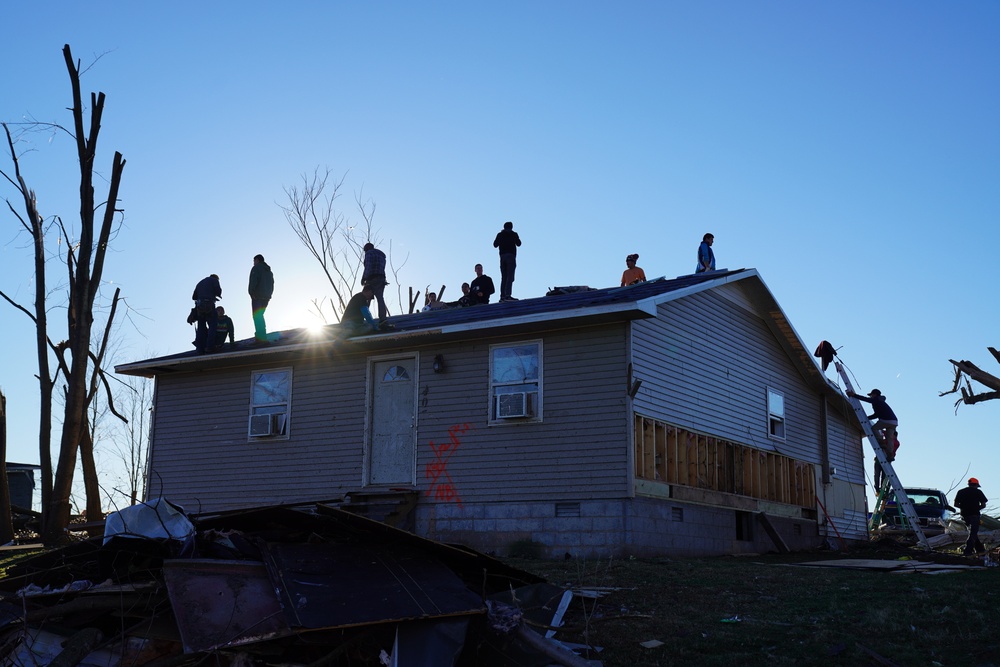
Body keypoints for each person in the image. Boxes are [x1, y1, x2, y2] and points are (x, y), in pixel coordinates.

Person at [846, 388, 898, 465]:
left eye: (871, 395)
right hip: (894, 421)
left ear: (875, 395)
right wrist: (867, 418)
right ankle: (890, 454)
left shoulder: (876, 400)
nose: (871, 396)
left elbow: (867, 400)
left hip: (886, 420)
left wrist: (854, 395)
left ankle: (881, 441)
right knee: (889, 438)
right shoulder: (881, 402)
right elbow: (876, 415)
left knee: (874, 428)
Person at [954, 477, 989, 556]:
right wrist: (976, 508)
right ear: (976, 484)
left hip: (964, 515)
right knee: (973, 533)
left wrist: (964, 508)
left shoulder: (961, 492)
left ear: (969, 484)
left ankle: (980, 549)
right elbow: (983, 505)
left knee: (972, 532)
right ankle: (968, 551)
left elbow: (956, 504)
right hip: (974, 515)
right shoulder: (978, 492)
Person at [191, 274, 222, 354]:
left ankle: (200, 349)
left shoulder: (200, 282)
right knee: (213, 324)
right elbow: (218, 291)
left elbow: (194, 297)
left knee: (201, 327)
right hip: (209, 304)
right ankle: (210, 347)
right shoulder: (214, 280)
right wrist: (214, 295)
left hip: (200, 307)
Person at [248, 254, 274, 344]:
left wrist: (251, 292)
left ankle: (261, 338)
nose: (253, 263)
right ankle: (261, 336)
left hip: (257, 296)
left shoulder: (256, 268)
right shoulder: (269, 272)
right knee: (260, 316)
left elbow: (253, 280)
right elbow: (272, 284)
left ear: (257, 260)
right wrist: (269, 295)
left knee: (257, 316)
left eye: (254, 261)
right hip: (266, 297)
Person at [493, 221, 522, 302]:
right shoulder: (514, 234)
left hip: (502, 257)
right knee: (510, 276)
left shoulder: (500, 234)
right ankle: (508, 295)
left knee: (504, 277)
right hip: (511, 256)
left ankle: (502, 296)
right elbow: (519, 243)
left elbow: (495, 244)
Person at [361, 242, 389, 326]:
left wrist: (364, 278)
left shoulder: (369, 253)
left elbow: (368, 266)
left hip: (372, 278)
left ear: (366, 249)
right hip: (381, 278)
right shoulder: (381, 255)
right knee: (380, 298)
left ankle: (361, 319)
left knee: (365, 299)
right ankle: (383, 318)